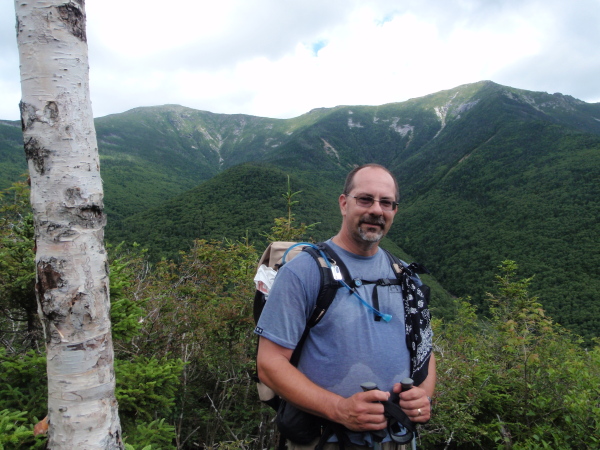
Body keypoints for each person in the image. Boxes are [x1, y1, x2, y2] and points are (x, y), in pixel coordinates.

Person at [256, 164, 436, 449]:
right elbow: (269, 364)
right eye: (365, 199)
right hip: (326, 438)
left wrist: (423, 395)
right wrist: (339, 409)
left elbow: (423, 350)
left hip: (397, 438)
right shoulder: (304, 272)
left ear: (394, 211)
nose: (376, 210)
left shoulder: (406, 276)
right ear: (343, 203)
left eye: (386, 202)